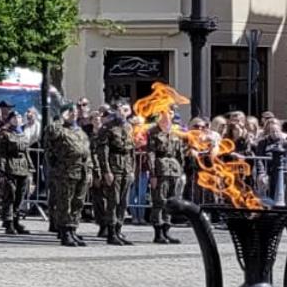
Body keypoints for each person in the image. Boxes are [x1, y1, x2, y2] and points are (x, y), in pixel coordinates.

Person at [45, 105, 94, 247]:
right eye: (70, 111)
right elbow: (51, 134)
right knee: (64, 202)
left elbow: (87, 153)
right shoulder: (59, 129)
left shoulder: (80, 132)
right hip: (65, 171)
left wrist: (90, 170)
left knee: (78, 202)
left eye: (75, 111)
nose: (74, 114)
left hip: (82, 171)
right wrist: (61, 119)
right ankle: (64, 231)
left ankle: (72, 229)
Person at [93, 108, 137, 245]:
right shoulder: (107, 128)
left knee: (124, 202)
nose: (122, 113)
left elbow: (132, 152)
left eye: (125, 110)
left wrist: (132, 170)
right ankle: (111, 232)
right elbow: (103, 152)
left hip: (126, 168)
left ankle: (119, 230)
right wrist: (106, 171)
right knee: (113, 201)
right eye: (119, 110)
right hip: (114, 168)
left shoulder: (129, 127)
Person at [145, 111, 187, 243]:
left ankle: (166, 231)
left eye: (169, 115)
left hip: (174, 170)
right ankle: (158, 233)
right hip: (160, 170)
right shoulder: (153, 132)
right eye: (163, 115)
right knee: (159, 201)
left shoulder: (175, 132)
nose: (166, 118)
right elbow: (151, 153)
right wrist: (152, 173)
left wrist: (181, 171)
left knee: (170, 201)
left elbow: (179, 153)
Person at [0, 112, 35, 235]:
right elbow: (0, 153)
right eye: (14, 118)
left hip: (22, 167)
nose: (17, 120)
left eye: (19, 117)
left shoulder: (22, 134)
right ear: (9, 120)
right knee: (10, 195)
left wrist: (30, 168)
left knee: (20, 195)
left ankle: (16, 219)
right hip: (10, 166)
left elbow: (26, 152)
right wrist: (1, 170)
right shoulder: (5, 134)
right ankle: (8, 222)